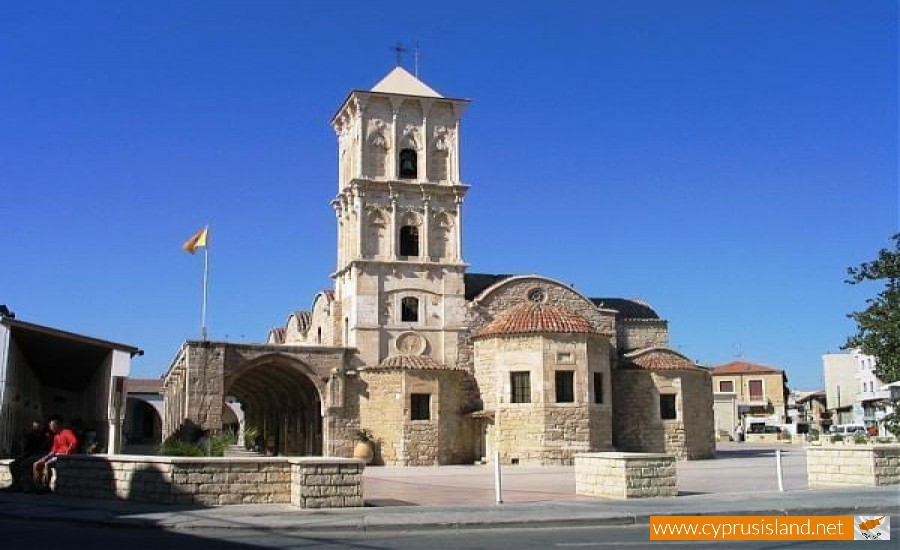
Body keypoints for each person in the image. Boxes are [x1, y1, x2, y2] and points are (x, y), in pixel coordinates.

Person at [32, 418, 79, 492]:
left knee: (48, 464)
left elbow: (74, 442)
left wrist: (68, 451)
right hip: (56, 455)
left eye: (52, 426)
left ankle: (46, 487)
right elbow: (53, 450)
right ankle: (37, 485)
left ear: (56, 426)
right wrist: (45, 457)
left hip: (64, 456)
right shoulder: (56, 436)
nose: (50, 428)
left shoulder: (66, 432)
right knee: (37, 464)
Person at [6, 421, 49, 492]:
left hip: (38, 455)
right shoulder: (31, 435)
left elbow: (42, 449)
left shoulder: (44, 437)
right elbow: (27, 448)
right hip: (29, 454)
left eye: (37, 427)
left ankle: (30, 486)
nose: (36, 428)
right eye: (34, 426)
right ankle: (16, 483)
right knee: (13, 464)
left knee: (24, 465)